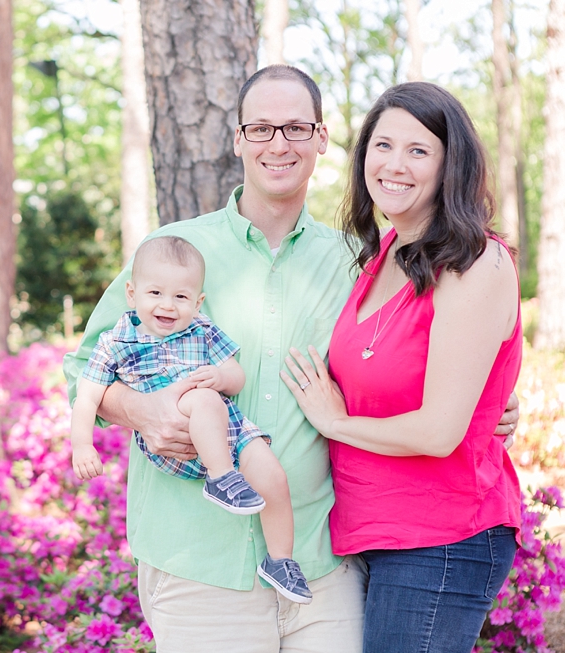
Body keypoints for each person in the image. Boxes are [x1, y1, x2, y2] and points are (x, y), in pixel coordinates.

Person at [63, 65, 520, 653]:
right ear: (237, 139)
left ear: (323, 139)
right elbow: (84, 368)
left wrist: (491, 404)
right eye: (260, 128)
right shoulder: (176, 251)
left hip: (323, 560)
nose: (278, 144)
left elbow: (435, 351)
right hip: (202, 558)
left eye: (296, 128)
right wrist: (143, 410)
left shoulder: (359, 259)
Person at [281, 82, 522, 653]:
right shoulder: (382, 254)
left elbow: (440, 433)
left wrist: (334, 423)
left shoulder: (474, 261)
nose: (394, 164)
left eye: (418, 150)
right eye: (382, 145)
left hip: (441, 536)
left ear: (450, 165)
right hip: (368, 529)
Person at [71, 235, 313, 604]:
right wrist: (82, 445)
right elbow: (86, 394)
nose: (167, 305)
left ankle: (280, 561)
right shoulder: (116, 342)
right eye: (155, 293)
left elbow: (235, 375)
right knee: (201, 397)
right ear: (132, 293)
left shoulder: (201, 328)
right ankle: (221, 479)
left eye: (181, 297)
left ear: (197, 302)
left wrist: (222, 378)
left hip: (228, 427)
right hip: (175, 438)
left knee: (272, 476)